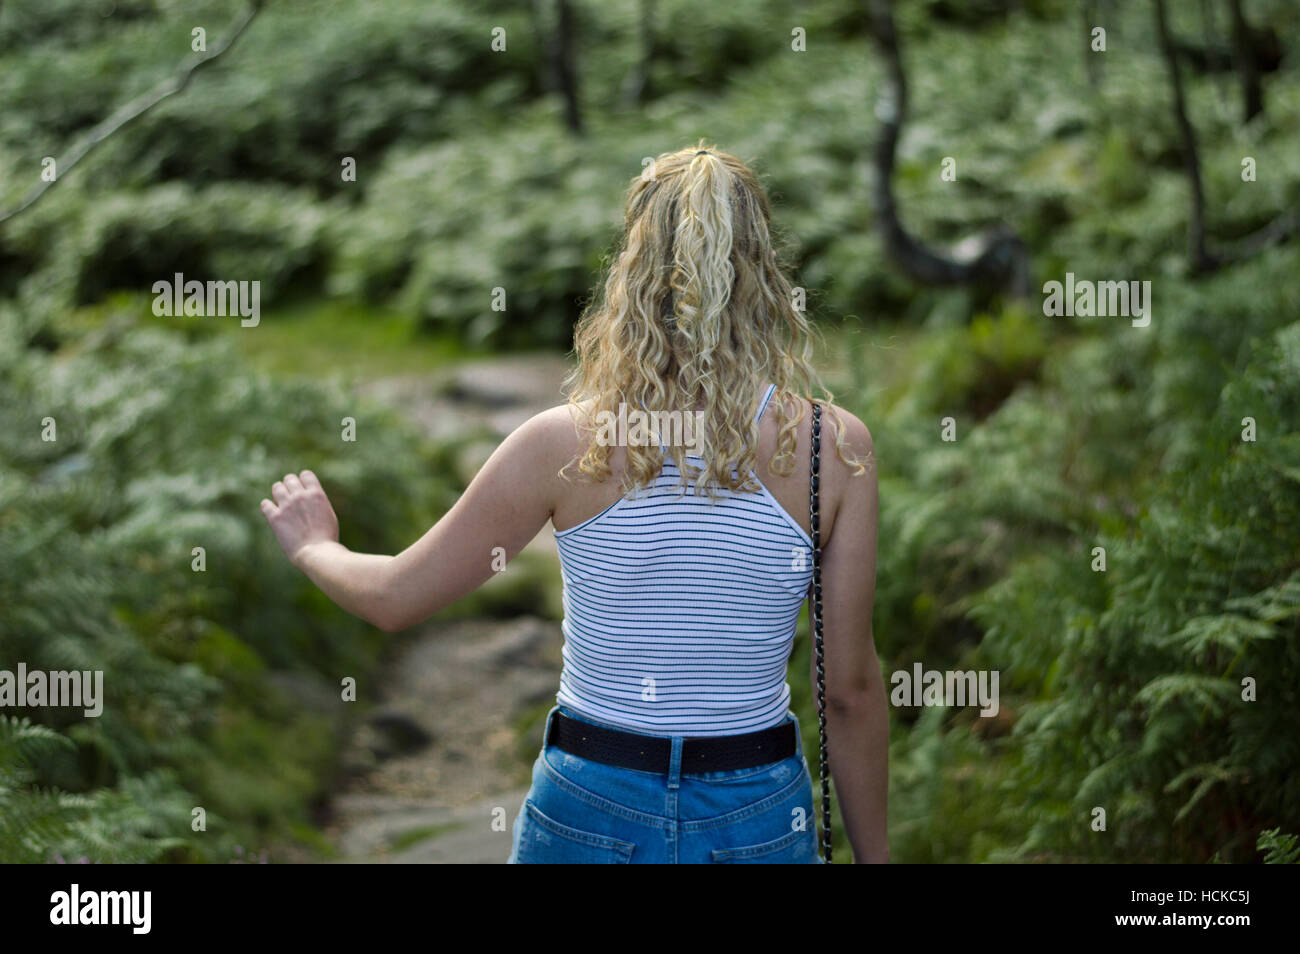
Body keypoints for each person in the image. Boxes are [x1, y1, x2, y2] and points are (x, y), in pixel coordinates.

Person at [260, 142, 888, 863]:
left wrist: (315, 546)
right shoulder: (833, 451)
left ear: (633, 271)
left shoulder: (563, 445)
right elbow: (851, 692)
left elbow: (395, 597)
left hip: (592, 803)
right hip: (755, 813)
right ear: (764, 275)